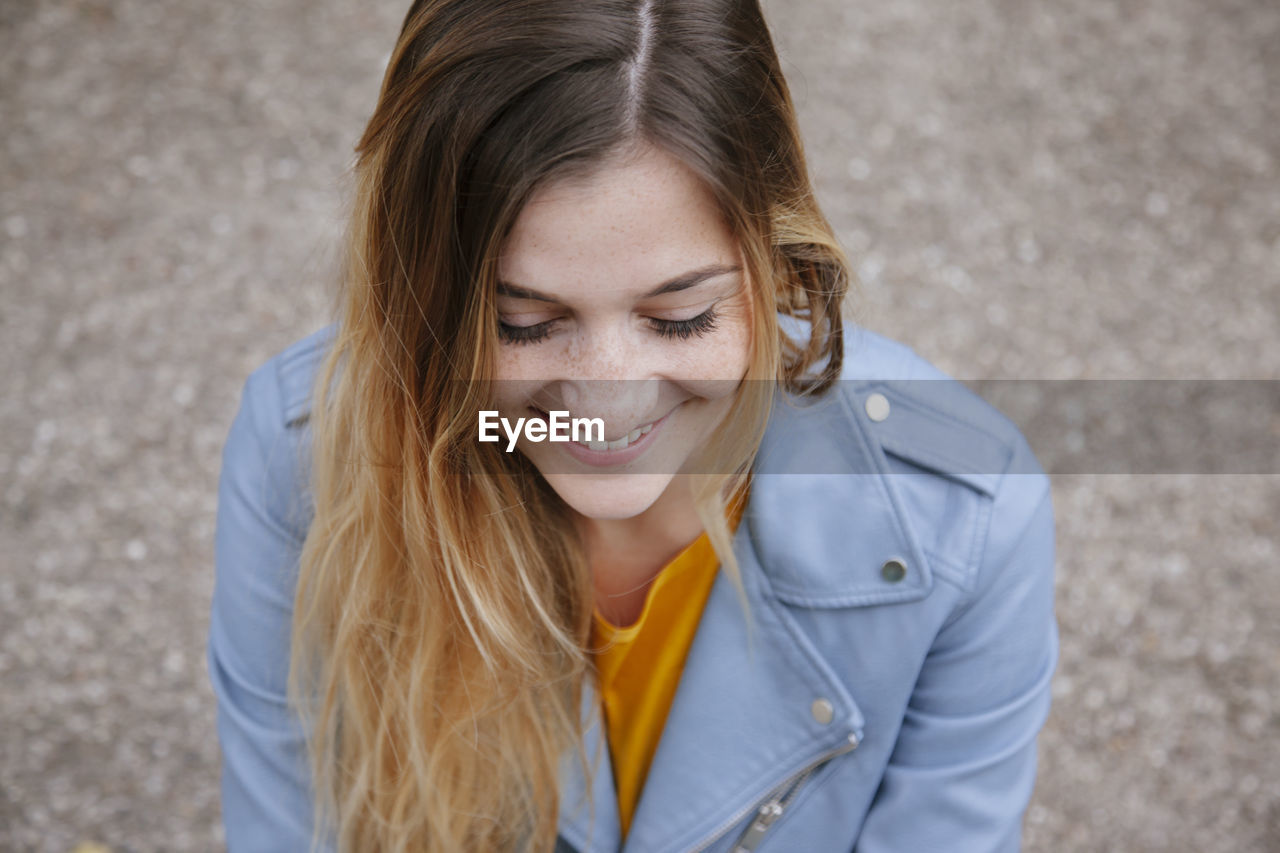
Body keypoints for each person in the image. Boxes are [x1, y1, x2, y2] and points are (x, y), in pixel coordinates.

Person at [207, 0, 1058, 851]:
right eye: (524, 322)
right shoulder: (303, 456)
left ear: (777, 259)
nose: (608, 401)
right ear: (421, 296)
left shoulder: (966, 518)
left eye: (680, 317)